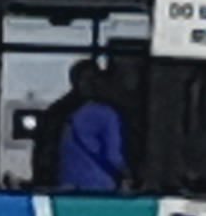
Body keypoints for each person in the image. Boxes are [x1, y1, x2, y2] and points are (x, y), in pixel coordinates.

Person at [34, 50, 135, 193]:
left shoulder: (57, 112)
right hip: (100, 186)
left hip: (64, 184)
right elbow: (113, 156)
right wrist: (129, 176)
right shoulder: (106, 114)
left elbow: (44, 152)